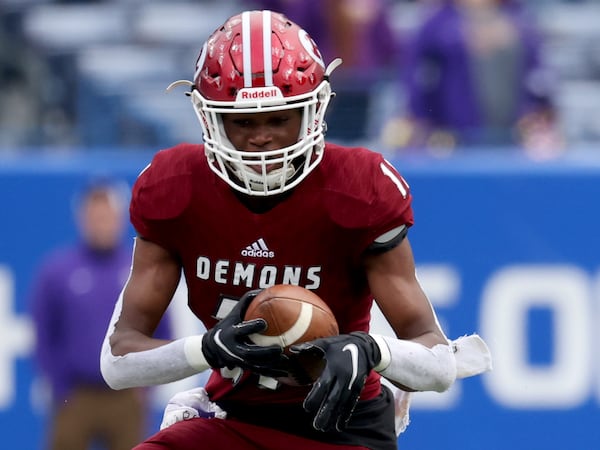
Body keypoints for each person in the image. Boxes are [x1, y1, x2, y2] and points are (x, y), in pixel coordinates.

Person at [100, 10, 490, 450]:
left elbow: (438, 362)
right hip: (234, 416)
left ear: (312, 111)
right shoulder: (177, 187)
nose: (261, 137)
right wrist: (206, 350)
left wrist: (370, 350)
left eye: (278, 118)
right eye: (243, 121)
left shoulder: (357, 188)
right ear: (211, 119)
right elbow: (118, 361)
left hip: (342, 428)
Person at [30, 178, 171, 450]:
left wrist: (145, 387)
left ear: (119, 218)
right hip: (77, 394)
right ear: (82, 218)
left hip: (126, 395)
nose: (101, 222)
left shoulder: (138, 270)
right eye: (95, 215)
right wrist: (59, 385)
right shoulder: (58, 271)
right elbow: (44, 333)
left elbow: (162, 328)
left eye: (106, 215)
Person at [386, 0, 562, 154]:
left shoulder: (518, 19)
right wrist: (420, 118)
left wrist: (539, 115)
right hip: (454, 135)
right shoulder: (438, 23)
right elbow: (416, 74)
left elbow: (539, 76)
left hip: (513, 134)